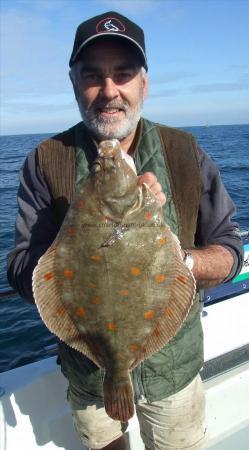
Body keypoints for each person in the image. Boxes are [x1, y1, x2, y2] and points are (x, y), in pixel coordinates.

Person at [7, 11, 243, 450]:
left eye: (123, 74)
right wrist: (70, 246)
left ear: (143, 84)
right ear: (74, 82)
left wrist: (178, 258)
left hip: (174, 371)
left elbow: (230, 251)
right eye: (93, 75)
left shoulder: (184, 152)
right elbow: (21, 268)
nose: (109, 90)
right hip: (88, 377)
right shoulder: (45, 160)